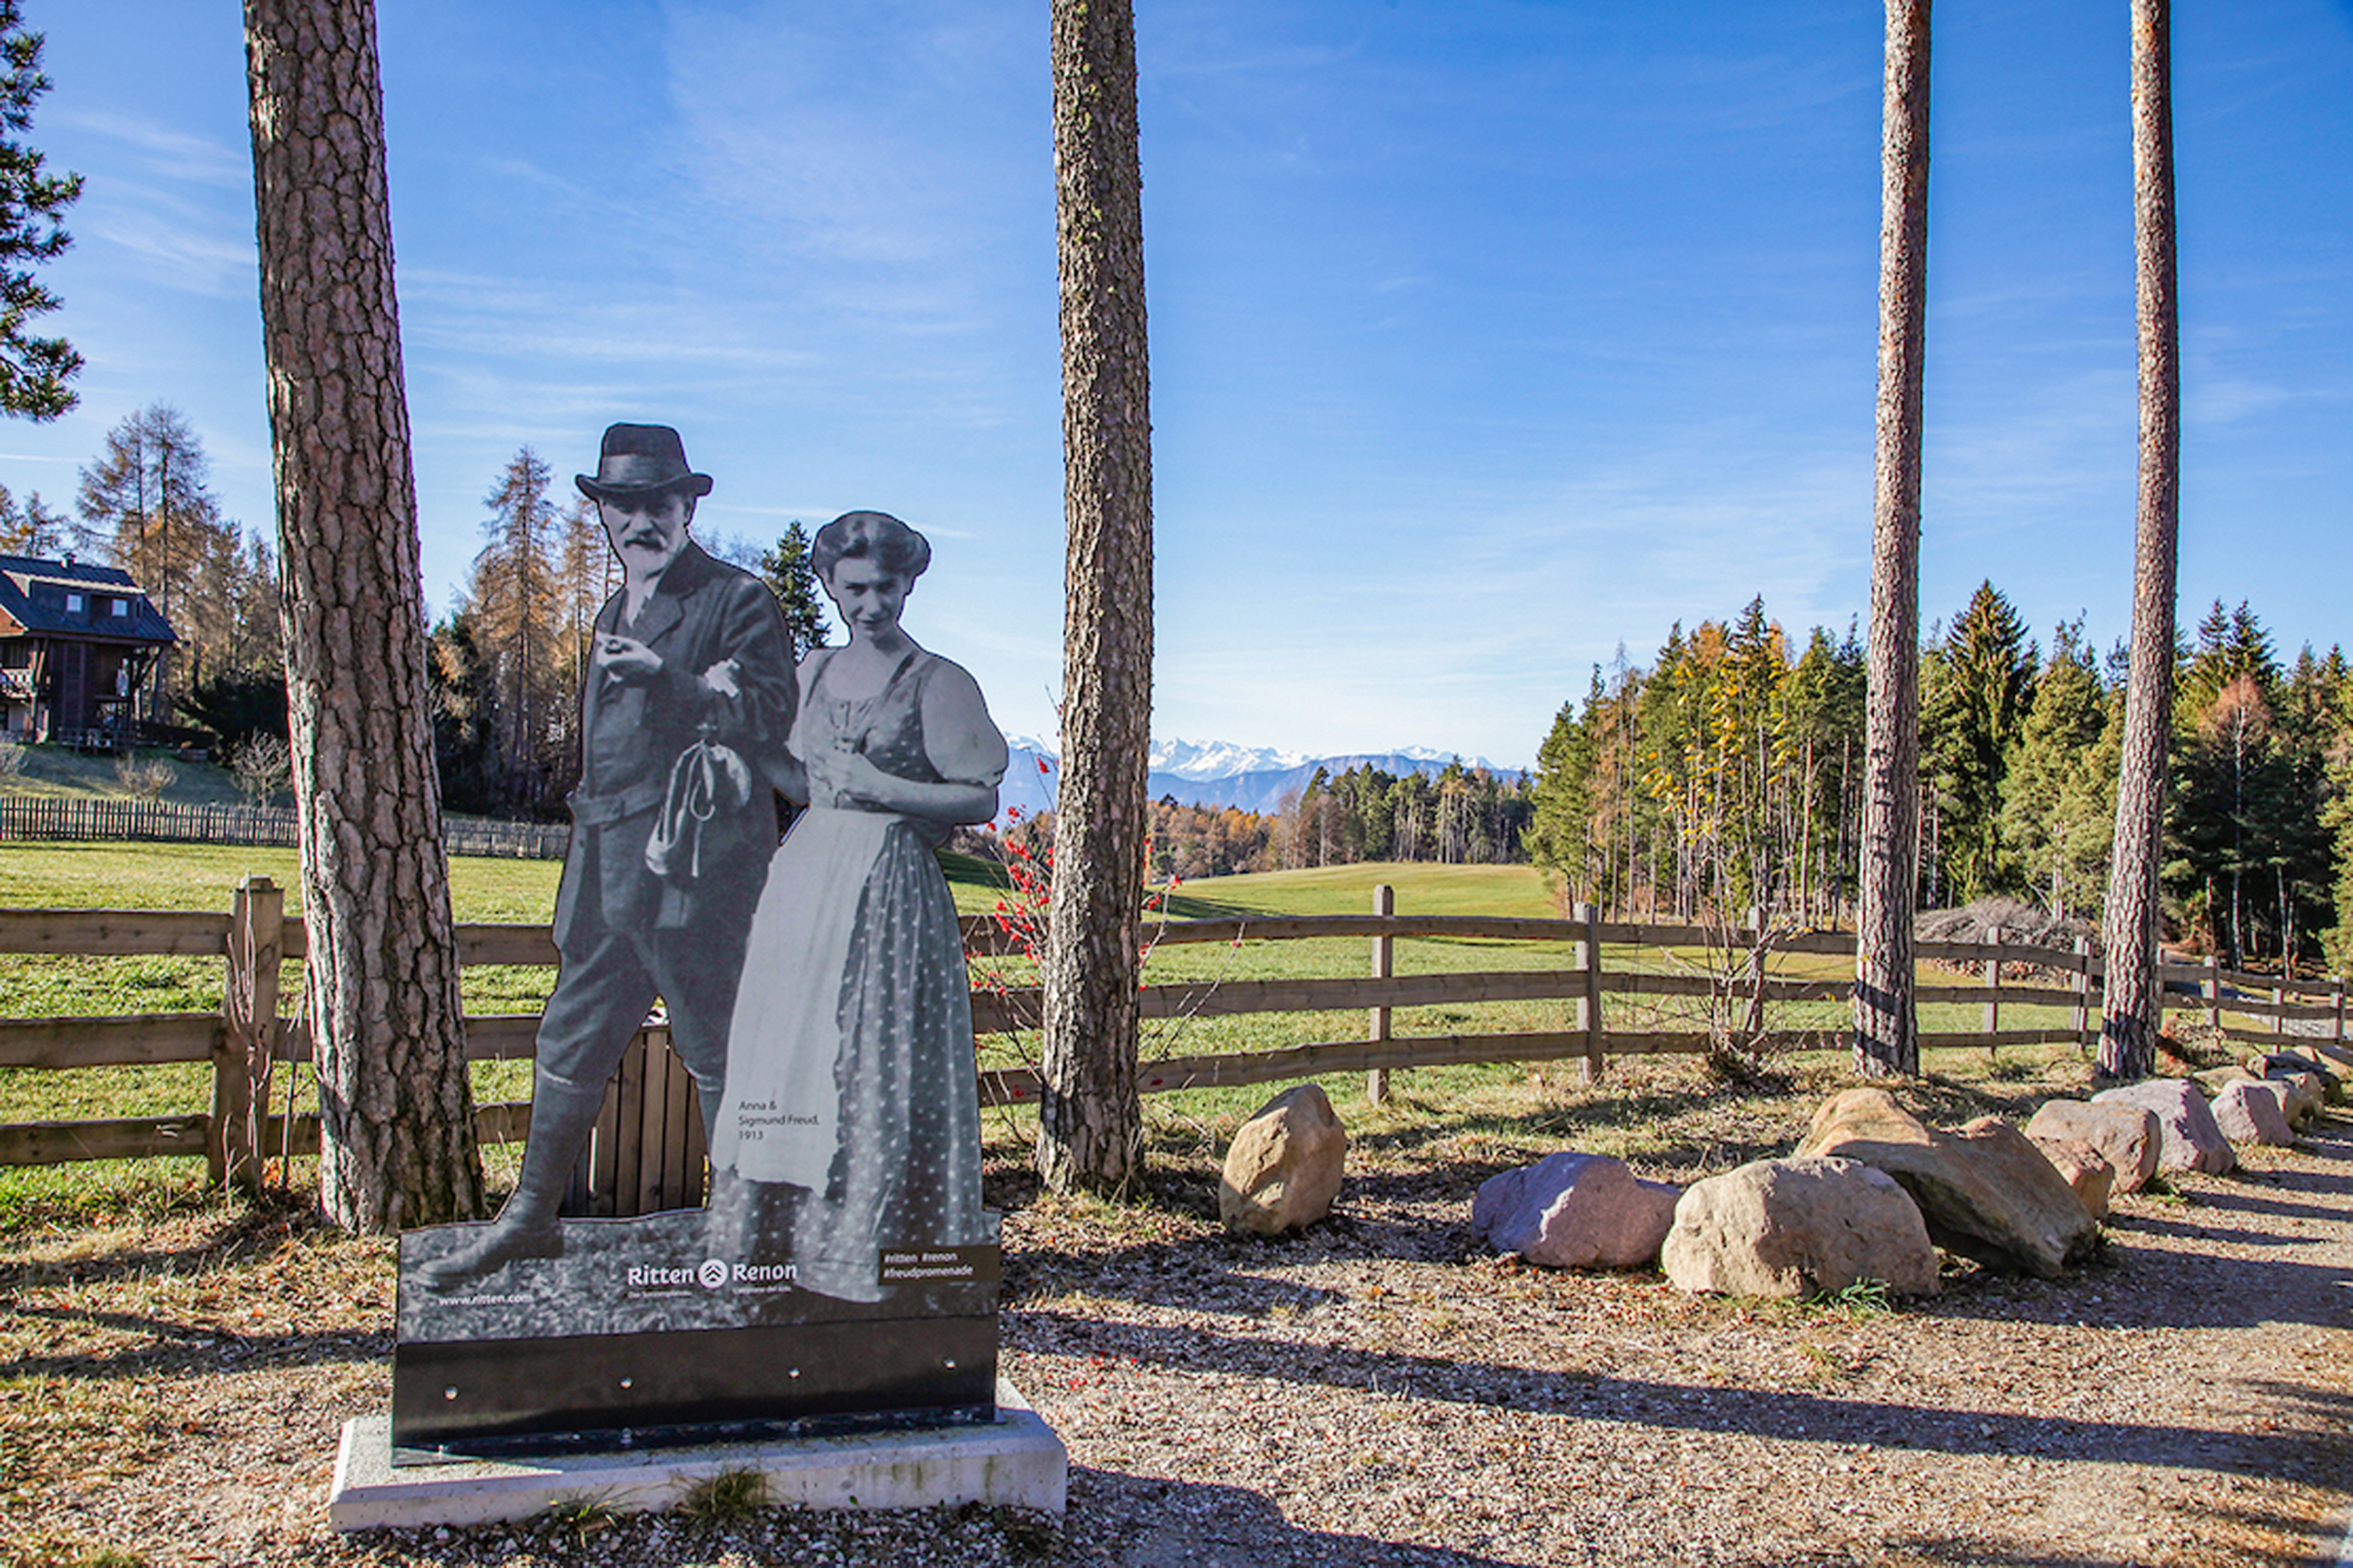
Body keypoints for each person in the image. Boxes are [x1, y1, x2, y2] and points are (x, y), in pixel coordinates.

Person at [422, 424, 793, 1287]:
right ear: (604, 515)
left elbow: (771, 719)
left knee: (716, 1042)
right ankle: (530, 1220)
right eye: (622, 506)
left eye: (657, 503)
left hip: (697, 867)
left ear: (687, 505)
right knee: (572, 1034)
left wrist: (674, 679)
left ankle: (743, 1235)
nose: (640, 522)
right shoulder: (606, 610)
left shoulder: (737, 600)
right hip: (606, 868)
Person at [709, 510, 1005, 1302]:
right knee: (789, 1054)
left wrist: (883, 789)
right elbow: (807, 785)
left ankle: (872, 1254)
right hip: (806, 876)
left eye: (885, 588)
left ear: (908, 584)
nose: (870, 605)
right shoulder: (811, 673)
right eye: (853, 589)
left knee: (869, 1055)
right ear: (831, 589)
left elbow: (979, 796)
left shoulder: (938, 682)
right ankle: (777, 1250)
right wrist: (746, 733)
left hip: (889, 884)